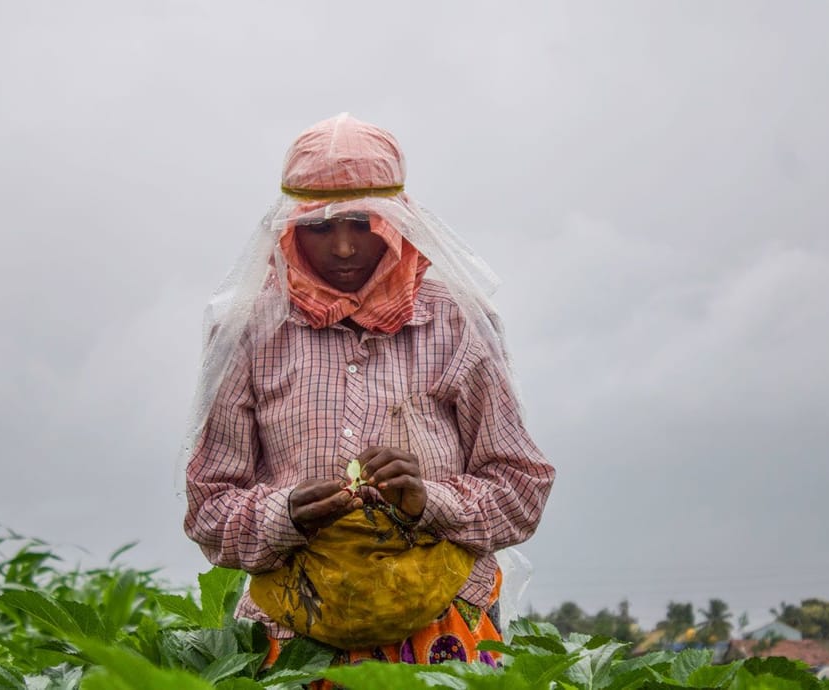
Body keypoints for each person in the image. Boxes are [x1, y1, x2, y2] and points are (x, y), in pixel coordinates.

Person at [182, 113, 554, 671]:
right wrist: (288, 512)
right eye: (320, 227)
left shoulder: (454, 320)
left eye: (361, 223)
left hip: (440, 634)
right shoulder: (249, 328)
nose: (344, 247)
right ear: (290, 228)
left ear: (397, 221)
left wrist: (428, 500)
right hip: (295, 633)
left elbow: (520, 490)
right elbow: (209, 506)